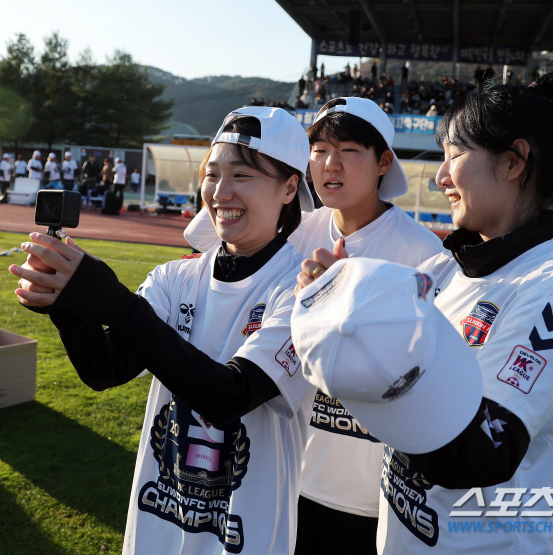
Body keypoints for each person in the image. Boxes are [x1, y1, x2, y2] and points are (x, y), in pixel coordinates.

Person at [295, 70, 553, 555]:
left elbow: (482, 452)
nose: (441, 176)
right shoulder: (447, 265)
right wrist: (335, 308)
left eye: (455, 155)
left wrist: (364, 350)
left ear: (513, 161)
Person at [10, 107, 318, 554]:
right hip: (155, 531)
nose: (220, 192)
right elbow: (106, 369)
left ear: (290, 187)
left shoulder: (303, 293)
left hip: (246, 540)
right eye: (212, 174)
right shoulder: (175, 278)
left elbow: (229, 395)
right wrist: (69, 306)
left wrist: (112, 301)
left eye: (242, 175)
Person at [184, 97, 443, 554]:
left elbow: (426, 373)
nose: (329, 164)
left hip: (366, 488)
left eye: (348, 150)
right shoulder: (298, 228)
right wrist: (233, 179)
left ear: (384, 161)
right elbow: (210, 236)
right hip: (288, 472)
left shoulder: (421, 253)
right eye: (319, 150)